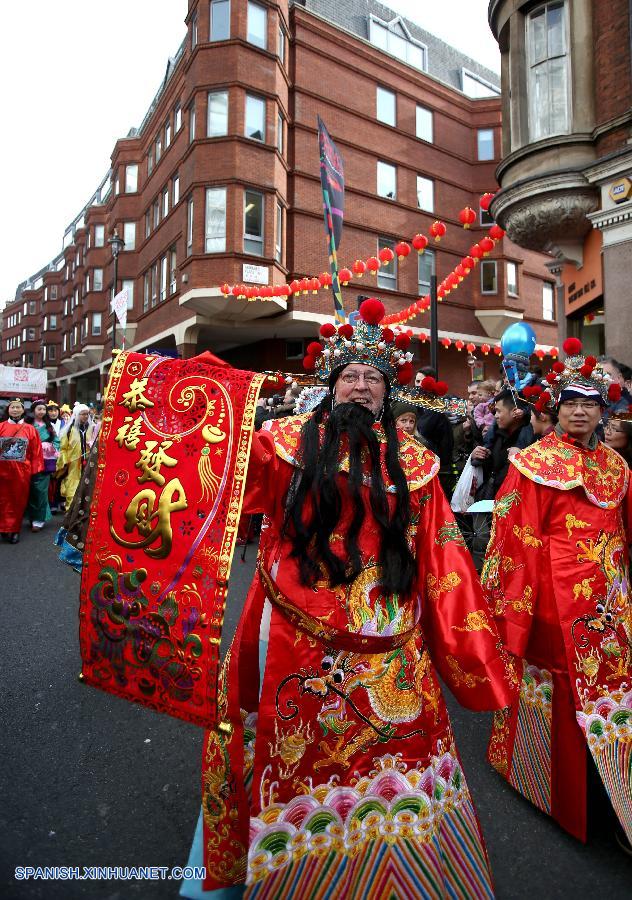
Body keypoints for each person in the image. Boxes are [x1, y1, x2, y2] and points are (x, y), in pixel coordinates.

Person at [183, 299, 516, 898]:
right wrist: (205, 393)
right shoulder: (280, 443)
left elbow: (443, 561)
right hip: (290, 633)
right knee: (283, 759)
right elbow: (218, 476)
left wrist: (476, 658)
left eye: (373, 378)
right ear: (330, 386)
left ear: (389, 394)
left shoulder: (415, 465)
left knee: (399, 763)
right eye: (349, 376)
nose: (361, 386)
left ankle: (404, 873)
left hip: (391, 646)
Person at [481, 339, 632, 849]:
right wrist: (516, 611)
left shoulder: (617, 467)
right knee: (561, 694)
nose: (580, 411)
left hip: (611, 602)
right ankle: (562, 792)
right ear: (555, 408)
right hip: (552, 599)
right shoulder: (534, 463)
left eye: (591, 403)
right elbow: (513, 536)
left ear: (603, 409)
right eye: (571, 403)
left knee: (613, 691)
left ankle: (614, 793)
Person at [470, 389, 534, 500]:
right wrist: (477, 455)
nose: (495, 416)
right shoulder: (497, 435)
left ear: (515, 412)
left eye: (499, 411)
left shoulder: (531, 440)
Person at [0, 399, 44, 543]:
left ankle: (14, 529)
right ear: (8, 410)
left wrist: (35, 470)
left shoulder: (30, 429)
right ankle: (3, 528)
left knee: (18, 500)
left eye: (18, 407)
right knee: (2, 500)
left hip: (21, 472)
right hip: (2, 470)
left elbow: (36, 451)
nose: (15, 410)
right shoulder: (1, 427)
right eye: (13, 407)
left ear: (23, 410)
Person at [55, 403, 98, 508]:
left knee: (89, 490)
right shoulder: (69, 430)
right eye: (82, 414)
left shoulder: (92, 428)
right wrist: (65, 461)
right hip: (73, 465)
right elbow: (63, 448)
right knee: (72, 490)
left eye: (87, 414)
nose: (85, 416)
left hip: (89, 464)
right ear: (76, 415)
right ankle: (70, 517)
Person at [25, 398, 57, 531]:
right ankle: (32, 516)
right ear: (33, 410)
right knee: (30, 490)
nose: (42, 411)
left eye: (44, 409)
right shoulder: (27, 425)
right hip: (28, 461)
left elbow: (57, 441)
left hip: (44, 462)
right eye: (39, 409)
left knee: (41, 491)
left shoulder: (49, 427)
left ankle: (40, 518)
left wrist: (52, 448)